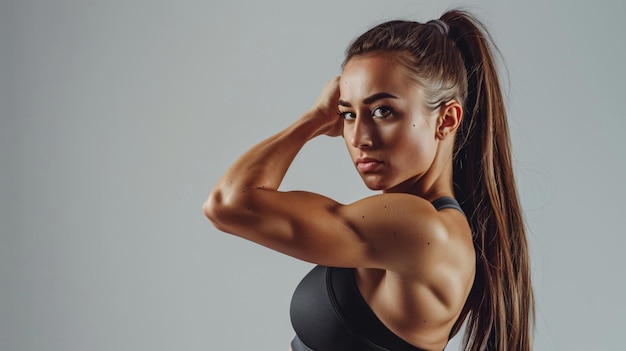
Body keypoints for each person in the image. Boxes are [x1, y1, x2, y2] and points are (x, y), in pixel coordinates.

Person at [203, 9, 534, 351]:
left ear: (447, 120)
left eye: (382, 111)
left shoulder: (421, 229)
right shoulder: (429, 226)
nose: (358, 136)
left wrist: (315, 118)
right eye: (347, 113)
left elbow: (229, 203)